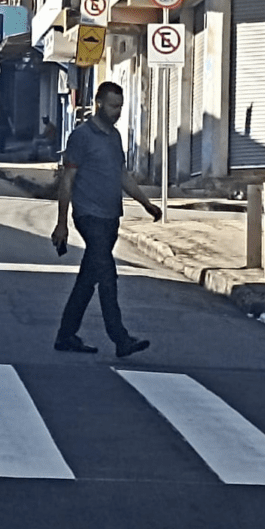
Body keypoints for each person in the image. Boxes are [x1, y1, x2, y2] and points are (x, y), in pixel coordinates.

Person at [50, 81, 162, 358]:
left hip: (111, 217)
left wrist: (146, 203)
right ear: (98, 103)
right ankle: (120, 339)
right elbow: (68, 181)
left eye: (121, 106)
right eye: (113, 106)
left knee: (88, 279)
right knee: (108, 277)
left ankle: (66, 335)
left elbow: (122, 174)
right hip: (89, 216)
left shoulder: (114, 137)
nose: (118, 111)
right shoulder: (81, 137)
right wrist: (62, 222)